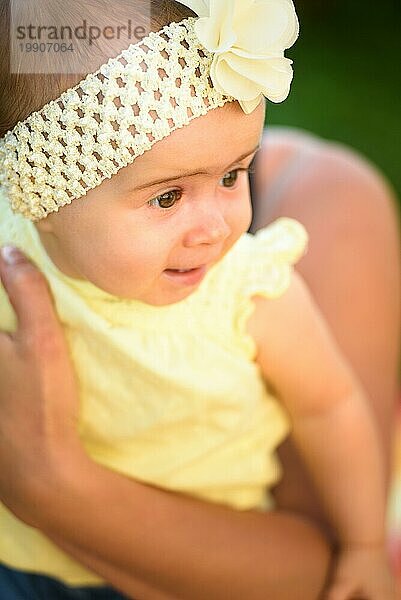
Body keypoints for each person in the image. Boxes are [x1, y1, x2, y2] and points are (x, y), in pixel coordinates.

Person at [0, 1, 399, 599]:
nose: (215, 227)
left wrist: (365, 544)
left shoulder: (250, 294)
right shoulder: (16, 250)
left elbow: (332, 407)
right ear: (44, 202)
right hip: (18, 556)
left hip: (192, 566)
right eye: (167, 199)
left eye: (233, 176)